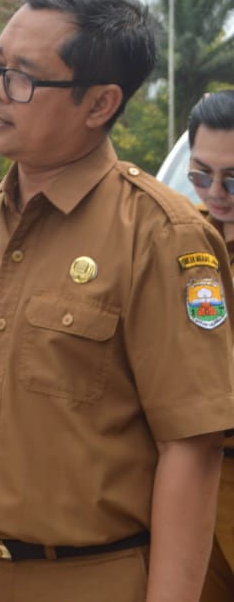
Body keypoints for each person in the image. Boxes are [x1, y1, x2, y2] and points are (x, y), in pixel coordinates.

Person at [0, 0, 234, 602]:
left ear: (100, 102)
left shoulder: (161, 236)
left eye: (23, 77)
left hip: (95, 578)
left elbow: (190, 444)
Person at [186, 91, 234, 602]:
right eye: (201, 175)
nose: (216, 192)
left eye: (233, 179)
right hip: (194, 481)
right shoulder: (178, 240)